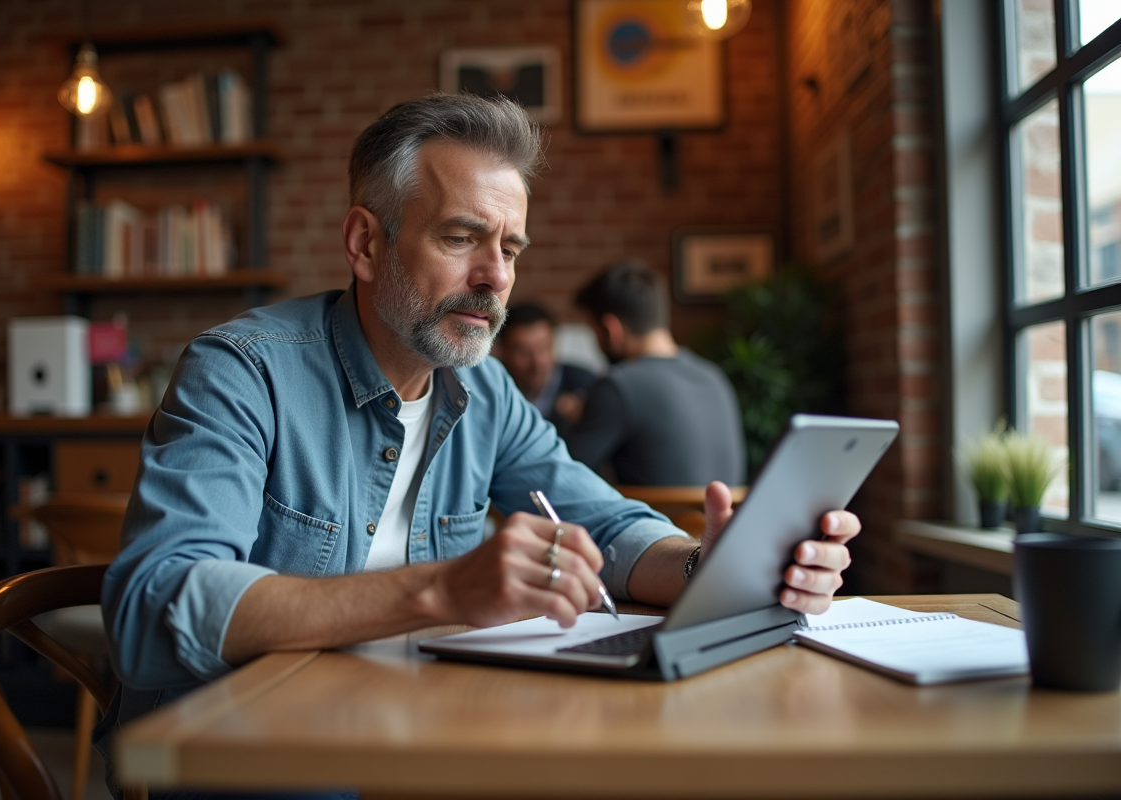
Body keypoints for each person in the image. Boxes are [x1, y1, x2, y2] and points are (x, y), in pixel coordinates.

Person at [97, 94, 858, 799]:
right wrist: (442, 592)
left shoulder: (484, 392)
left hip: (418, 730)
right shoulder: (243, 372)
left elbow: (609, 527)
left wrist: (710, 568)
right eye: (461, 238)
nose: (496, 278)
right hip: (245, 758)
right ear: (366, 242)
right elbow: (153, 607)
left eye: (511, 247)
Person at [563, 261, 747, 488]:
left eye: (594, 331)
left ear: (612, 330)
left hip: (654, 522)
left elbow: (567, 476)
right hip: (724, 523)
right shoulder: (714, 377)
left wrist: (579, 420)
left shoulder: (618, 384)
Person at [495, 301, 597, 436]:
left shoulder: (587, 386)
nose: (537, 362)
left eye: (543, 348)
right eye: (523, 352)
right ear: (502, 351)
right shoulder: (492, 390)